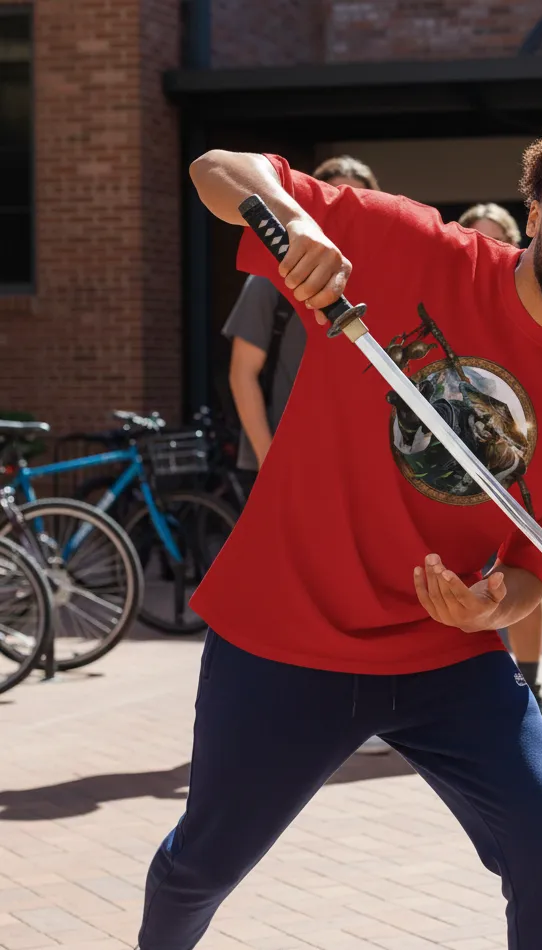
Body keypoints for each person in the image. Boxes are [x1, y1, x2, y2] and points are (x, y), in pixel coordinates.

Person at [136, 113, 542, 950]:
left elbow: (535, 572)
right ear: (534, 215)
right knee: (201, 867)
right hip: (285, 632)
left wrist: (492, 607)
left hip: (445, 656)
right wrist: (297, 223)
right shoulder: (408, 247)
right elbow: (218, 167)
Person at [222, 154, 390, 758]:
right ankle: (289, 718)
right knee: (293, 594)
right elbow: (243, 374)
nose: (341, 208)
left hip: (363, 466)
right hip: (288, 465)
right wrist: (270, 460)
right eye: (330, 195)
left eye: (355, 198)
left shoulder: (384, 273)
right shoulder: (271, 272)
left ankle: (359, 715)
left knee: (360, 590)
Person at [458, 200, 542, 735]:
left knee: (523, 569)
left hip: (516, 462)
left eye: (496, 239)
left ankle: (530, 686)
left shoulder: (536, 311)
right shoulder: (453, 303)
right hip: (456, 470)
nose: (485, 250)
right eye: (473, 238)